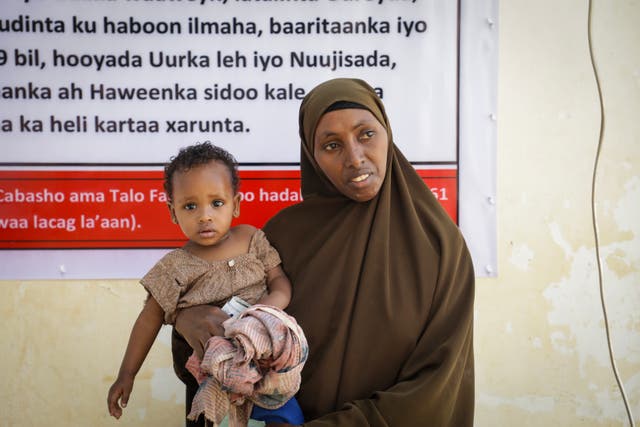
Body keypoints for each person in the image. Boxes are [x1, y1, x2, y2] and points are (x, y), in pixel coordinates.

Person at [174, 78, 475, 426]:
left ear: (387, 133)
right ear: (312, 156)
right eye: (332, 145)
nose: (355, 157)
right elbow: (225, 345)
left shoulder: (439, 246)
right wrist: (187, 320)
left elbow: (437, 385)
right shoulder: (282, 237)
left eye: (366, 134)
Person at [107, 142, 305, 425]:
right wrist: (126, 374)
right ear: (173, 212)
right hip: (211, 374)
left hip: (266, 362)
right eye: (190, 206)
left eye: (217, 203)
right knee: (206, 417)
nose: (205, 215)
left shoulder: (252, 239)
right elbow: (148, 319)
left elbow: (279, 281)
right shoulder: (174, 266)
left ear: (235, 205)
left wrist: (262, 315)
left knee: (286, 417)